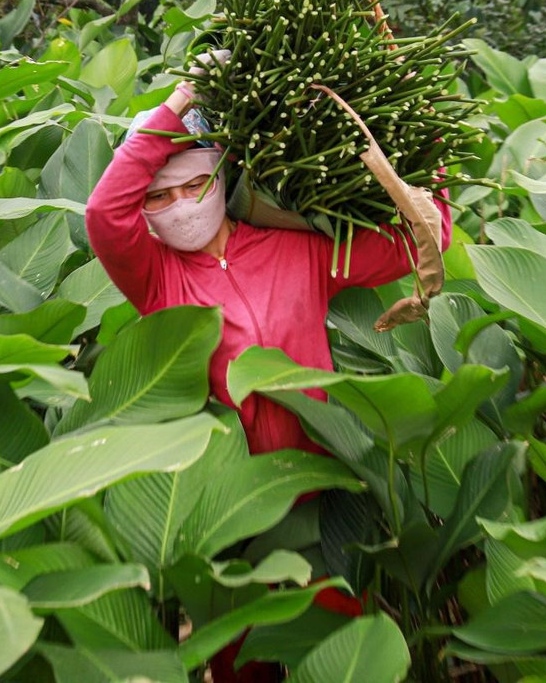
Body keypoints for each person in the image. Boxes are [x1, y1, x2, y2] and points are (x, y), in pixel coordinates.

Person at [85, 74, 452, 681]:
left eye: (195, 184)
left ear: (221, 177)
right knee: (242, 663)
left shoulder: (295, 249)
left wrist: (421, 142)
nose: (178, 205)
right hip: (228, 508)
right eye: (157, 197)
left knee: (335, 653)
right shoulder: (155, 278)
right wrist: (182, 100)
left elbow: (417, 242)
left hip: (321, 496)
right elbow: (103, 211)